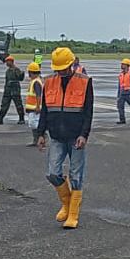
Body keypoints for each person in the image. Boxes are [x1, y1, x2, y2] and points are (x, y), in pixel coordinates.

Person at [36, 47, 94, 229]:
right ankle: (67, 204)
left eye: (63, 68)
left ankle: (73, 214)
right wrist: (40, 133)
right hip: (56, 136)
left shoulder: (84, 82)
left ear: (71, 65)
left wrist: (84, 135)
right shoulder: (49, 81)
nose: (60, 72)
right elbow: (45, 110)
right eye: (57, 69)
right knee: (52, 173)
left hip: (76, 137)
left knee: (76, 176)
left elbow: (88, 112)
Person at [0, 55, 25, 125]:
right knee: (4, 105)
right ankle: (0, 119)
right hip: (8, 90)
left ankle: (21, 119)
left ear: (11, 62)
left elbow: (20, 78)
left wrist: (22, 74)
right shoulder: (8, 71)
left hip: (15, 90)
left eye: (8, 61)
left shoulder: (16, 70)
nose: (6, 63)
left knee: (18, 105)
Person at [24, 62, 44, 146]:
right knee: (32, 124)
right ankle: (36, 140)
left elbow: (38, 95)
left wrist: (38, 106)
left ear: (31, 72)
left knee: (34, 124)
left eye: (29, 72)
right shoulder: (34, 81)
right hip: (31, 108)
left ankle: (42, 137)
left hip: (35, 108)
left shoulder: (36, 82)